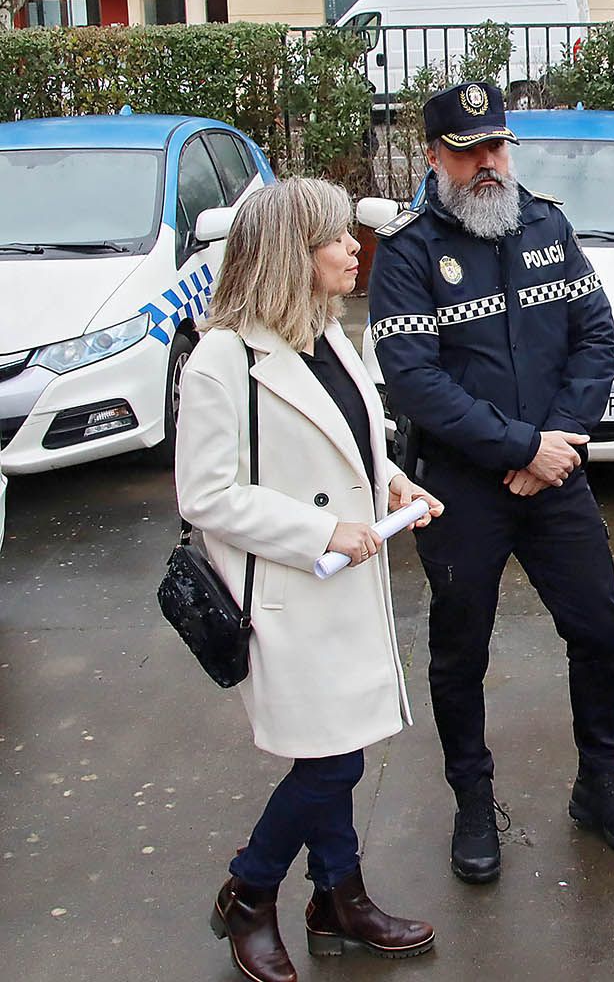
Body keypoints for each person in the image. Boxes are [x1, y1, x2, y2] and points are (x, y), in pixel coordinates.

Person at [368, 81, 614, 883]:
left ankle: (599, 783)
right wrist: (521, 446)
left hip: (553, 475)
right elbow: (416, 383)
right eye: (467, 152)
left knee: (599, 629)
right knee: (461, 651)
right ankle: (473, 799)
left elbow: (595, 336)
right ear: (433, 157)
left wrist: (556, 444)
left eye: (497, 146)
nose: (488, 164)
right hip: (461, 491)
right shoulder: (406, 253)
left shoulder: (548, 225)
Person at [176, 177, 443, 982]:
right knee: (330, 761)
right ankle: (250, 893)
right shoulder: (224, 357)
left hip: (345, 582)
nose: (350, 251)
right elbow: (206, 494)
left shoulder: (325, 332)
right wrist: (324, 528)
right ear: (291, 255)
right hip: (290, 592)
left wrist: (390, 480)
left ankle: (338, 899)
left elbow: (348, 443)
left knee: (345, 747)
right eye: (332, 241)